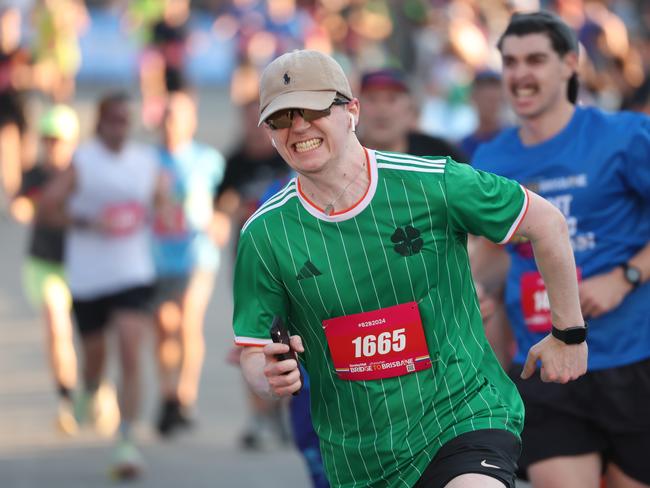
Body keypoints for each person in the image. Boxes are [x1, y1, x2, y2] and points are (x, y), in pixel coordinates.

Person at [232, 49, 587, 488]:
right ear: (268, 132)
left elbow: (546, 222)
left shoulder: (433, 181)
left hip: (463, 415)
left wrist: (568, 332)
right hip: (361, 455)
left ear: (350, 111)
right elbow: (252, 347)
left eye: (312, 109)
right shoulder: (265, 233)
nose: (298, 127)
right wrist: (267, 377)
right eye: (282, 118)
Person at [472, 11, 650, 488]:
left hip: (631, 357)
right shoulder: (491, 160)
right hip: (544, 363)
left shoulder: (624, 137)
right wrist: (471, 288)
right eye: (509, 62)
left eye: (535, 60)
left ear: (570, 63)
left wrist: (625, 277)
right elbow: (491, 255)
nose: (519, 75)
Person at [39, 92, 160, 479]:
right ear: (100, 123)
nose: (119, 127)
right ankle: (91, 388)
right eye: (113, 120)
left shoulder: (145, 162)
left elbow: (163, 203)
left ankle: (126, 440)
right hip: (89, 275)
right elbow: (47, 208)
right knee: (94, 357)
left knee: (129, 351)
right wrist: (89, 223)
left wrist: (169, 211)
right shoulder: (83, 161)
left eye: (126, 120)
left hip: (133, 271)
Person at [151, 90, 228, 436]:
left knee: (187, 321)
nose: (172, 122)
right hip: (157, 256)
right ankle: (168, 395)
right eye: (167, 115)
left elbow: (226, 200)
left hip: (198, 254)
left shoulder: (209, 160)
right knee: (165, 326)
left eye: (178, 115)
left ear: (191, 120)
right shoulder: (147, 161)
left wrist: (221, 219)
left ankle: (185, 396)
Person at [10, 105, 80, 435]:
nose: (53, 146)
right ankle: (65, 398)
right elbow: (20, 203)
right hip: (43, 265)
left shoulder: (82, 175)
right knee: (57, 328)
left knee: (86, 335)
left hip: (81, 267)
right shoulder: (35, 174)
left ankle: (97, 388)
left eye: (59, 140)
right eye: (48, 140)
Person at [357, 68, 466, 161]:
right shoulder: (342, 156)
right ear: (355, 109)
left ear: (410, 111)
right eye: (372, 99)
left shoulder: (440, 157)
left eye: (392, 99)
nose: (382, 109)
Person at [459, 70, 507, 160]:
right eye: (487, 100)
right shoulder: (463, 146)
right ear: (473, 98)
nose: (492, 106)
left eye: (497, 100)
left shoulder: (514, 140)